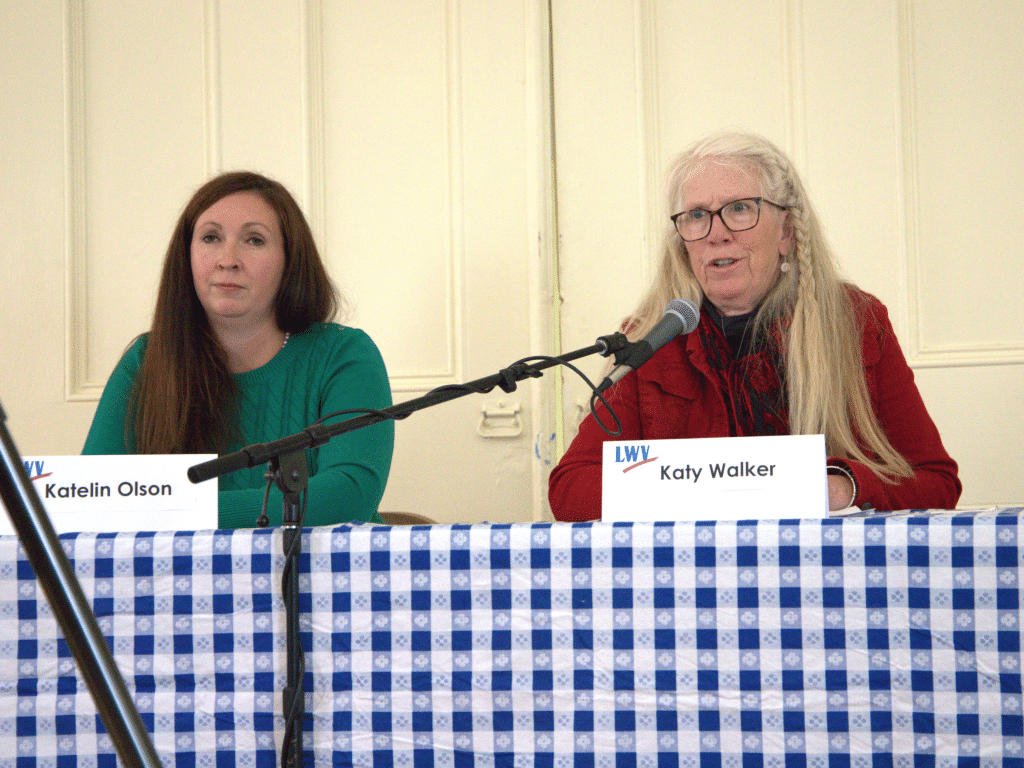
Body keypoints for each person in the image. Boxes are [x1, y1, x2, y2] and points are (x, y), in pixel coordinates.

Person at [549, 131, 961, 521]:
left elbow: (936, 483)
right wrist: (697, 487)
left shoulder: (855, 321)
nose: (717, 234)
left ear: (786, 231)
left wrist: (839, 489)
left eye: (740, 209)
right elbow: (570, 488)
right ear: (683, 240)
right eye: (696, 216)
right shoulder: (652, 337)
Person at [83, 171, 394, 528]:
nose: (227, 259)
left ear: (290, 260)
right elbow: (93, 498)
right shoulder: (145, 360)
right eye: (211, 237)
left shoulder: (344, 356)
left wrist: (173, 512)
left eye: (254, 240)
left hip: (324, 579)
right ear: (186, 258)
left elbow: (346, 497)